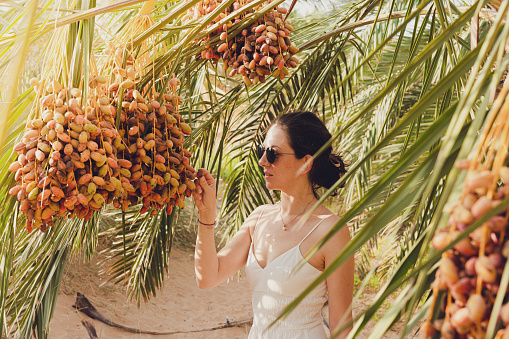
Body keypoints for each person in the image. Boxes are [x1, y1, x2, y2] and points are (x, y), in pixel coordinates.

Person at [192, 111, 354, 338]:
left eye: (272, 154)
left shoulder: (331, 231)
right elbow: (208, 277)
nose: (262, 161)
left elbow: (342, 327)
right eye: (262, 150)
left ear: (306, 162)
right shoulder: (259, 218)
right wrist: (206, 214)